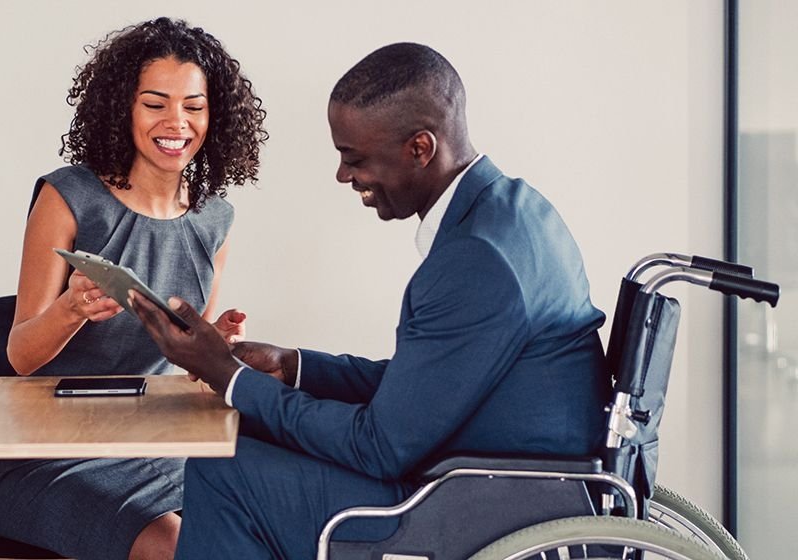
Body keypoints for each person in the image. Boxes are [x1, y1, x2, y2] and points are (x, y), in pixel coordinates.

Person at [130, 42, 611, 559]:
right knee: (246, 439)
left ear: (419, 149)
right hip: (486, 476)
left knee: (223, 471)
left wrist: (229, 378)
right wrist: (294, 367)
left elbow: (378, 447)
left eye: (354, 157)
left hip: (478, 507)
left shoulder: (477, 258)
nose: (344, 176)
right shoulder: (512, 211)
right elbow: (430, 385)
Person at [0, 18, 267, 560]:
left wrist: (212, 347)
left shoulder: (215, 220)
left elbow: (186, 370)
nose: (176, 121)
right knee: (172, 545)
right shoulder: (69, 195)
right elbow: (21, 355)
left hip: (151, 443)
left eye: (193, 107)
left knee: (266, 517)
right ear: (122, 108)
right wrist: (72, 309)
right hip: (42, 455)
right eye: (155, 103)